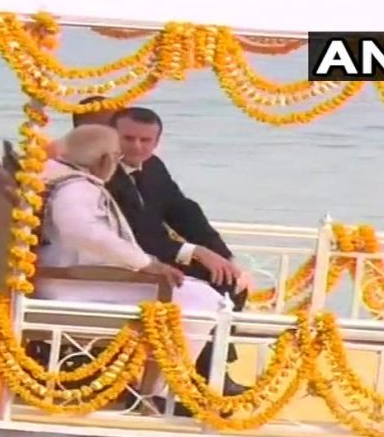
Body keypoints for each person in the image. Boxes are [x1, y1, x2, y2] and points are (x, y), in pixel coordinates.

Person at [35, 124, 225, 414]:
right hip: (71, 284)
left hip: (73, 274)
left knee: (199, 293)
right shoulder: (75, 187)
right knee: (202, 300)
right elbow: (83, 232)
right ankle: (159, 393)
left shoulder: (56, 175)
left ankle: (158, 390)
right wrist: (147, 264)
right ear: (105, 160)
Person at [105, 106, 252, 398]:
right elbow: (135, 235)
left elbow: (185, 212)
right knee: (212, 285)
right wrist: (194, 252)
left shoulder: (154, 167)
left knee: (228, 279)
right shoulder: (103, 173)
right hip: (126, 260)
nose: (137, 146)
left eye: (145, 140)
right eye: (129, 138)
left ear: (157, 142)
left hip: (162, 254)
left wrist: (224, 256)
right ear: (112, 136)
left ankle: (211, 372)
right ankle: (188, 381)